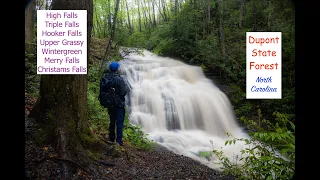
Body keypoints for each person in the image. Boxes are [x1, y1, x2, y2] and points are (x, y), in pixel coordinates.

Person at [102, 61, 129, 146]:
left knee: (112, 120)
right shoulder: (119, 79)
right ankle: (119, 141)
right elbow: (124, 92)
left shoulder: (105, 78)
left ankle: (111, 138)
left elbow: (103, 90)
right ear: (117, 69)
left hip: (109, 103)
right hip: (118, 104)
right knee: (119, 123)